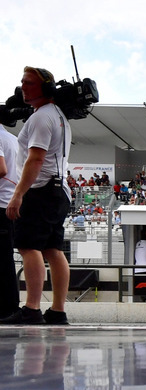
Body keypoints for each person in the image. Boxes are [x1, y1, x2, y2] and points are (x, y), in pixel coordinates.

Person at [1, 67, 72, 325]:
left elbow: (36, 158)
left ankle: (31, 309)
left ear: (46, 89)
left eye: (29, 83)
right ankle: (57, 310)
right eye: (22, 82)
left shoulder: (42, 117)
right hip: (59, 190)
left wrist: (18, 194)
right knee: (53, 249)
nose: (23, 87)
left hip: (41, 190)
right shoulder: (58, 115)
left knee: (28, 246)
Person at [0, 125, 19, 320]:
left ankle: (7, 308)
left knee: (3, 260)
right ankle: (9, 306)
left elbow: (1, 169)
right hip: (10, 203)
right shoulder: (13, 139)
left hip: (1, 202)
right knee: (5, 258)